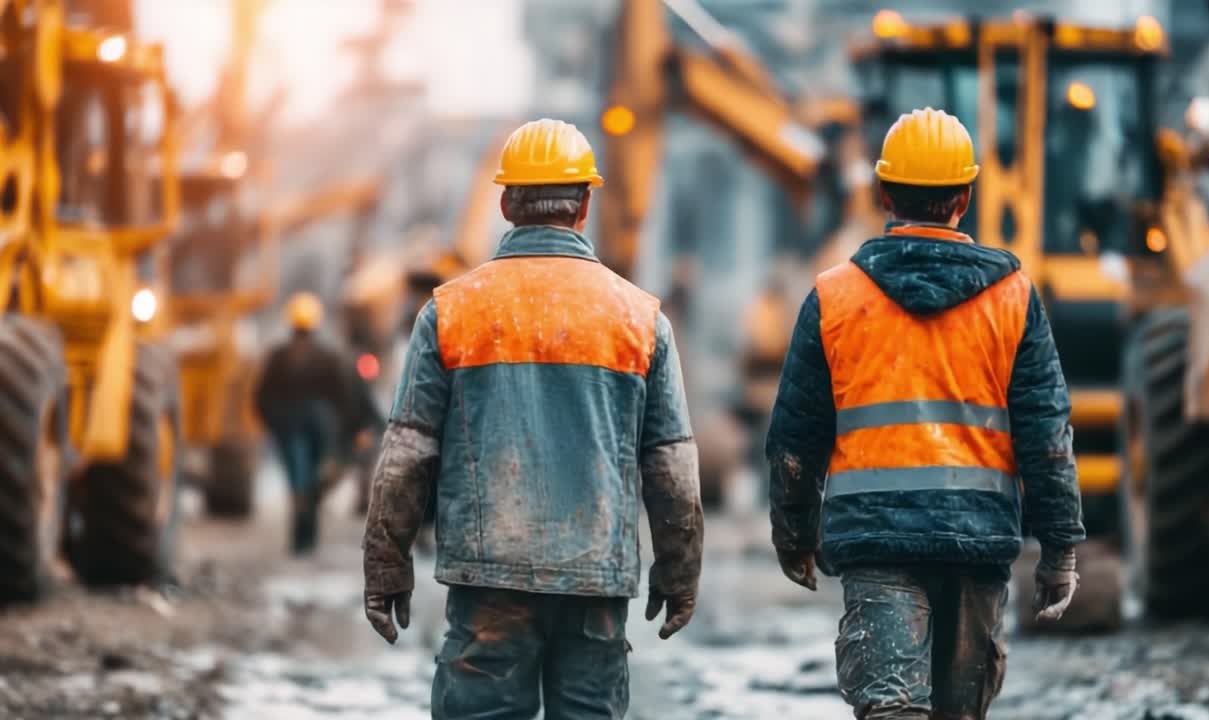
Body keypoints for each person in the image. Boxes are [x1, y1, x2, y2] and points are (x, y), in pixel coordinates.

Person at [362, 118, 703, 719]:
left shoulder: (449, 312)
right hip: (595, 580)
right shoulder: (641, 318)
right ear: (586, 204)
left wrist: (387, 564)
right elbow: (670, 463)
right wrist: (679, 568)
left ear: (503, 202)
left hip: (489, 578)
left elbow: (408, 451)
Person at [766, 108, 1085, 719]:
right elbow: (1047, 432)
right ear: (965, 195)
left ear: (883, 193)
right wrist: (1059, 548)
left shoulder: (836, 295)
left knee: (892, 711)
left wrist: (794, 534)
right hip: (978, 539)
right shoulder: (1012, 296)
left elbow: (795, 438)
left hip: (877, 542)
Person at [254, 291, 366, 554]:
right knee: (312, 481)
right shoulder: (327, 357)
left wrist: (273, 425)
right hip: (319, 429)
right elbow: (344, 399)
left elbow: (262, 397)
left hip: (292, 429)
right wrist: (346, 430)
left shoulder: (279, 357)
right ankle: (307, 539)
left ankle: (301, 540)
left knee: (299, 483)